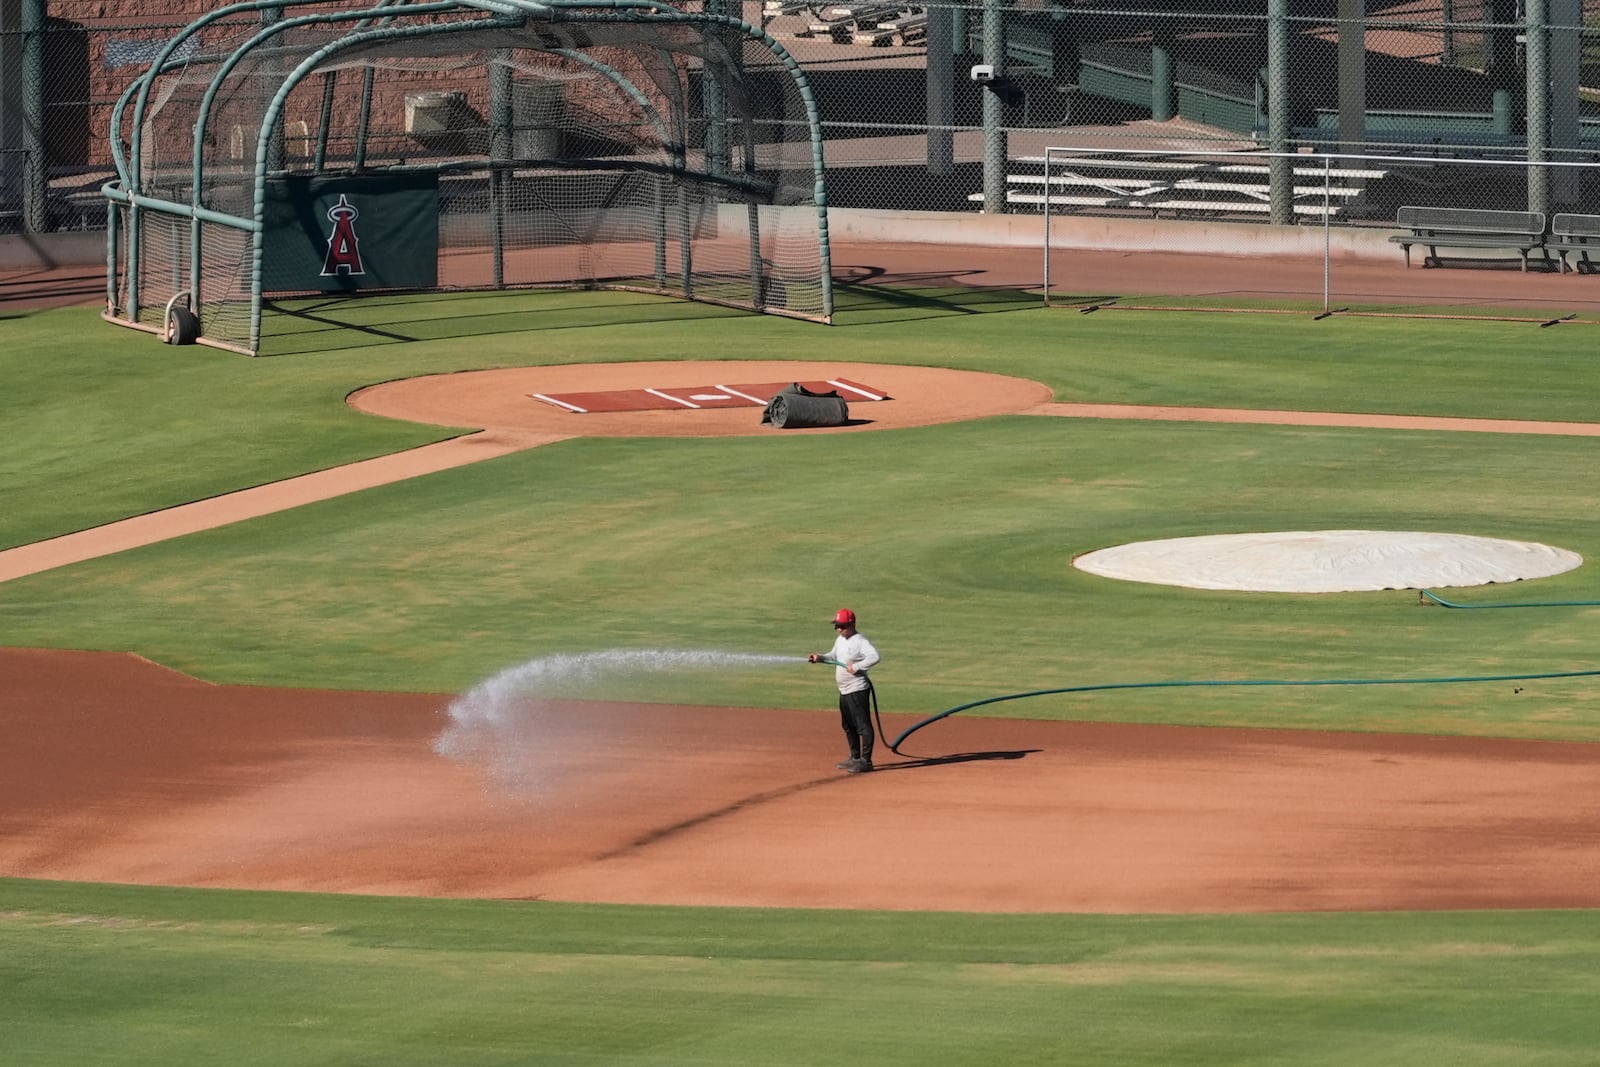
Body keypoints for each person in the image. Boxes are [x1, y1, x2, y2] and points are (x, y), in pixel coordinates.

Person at [808, 607, 881, 774]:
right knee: (848, 725)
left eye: (842, 626)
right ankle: (854, 758)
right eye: (837, 626)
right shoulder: (840, 640)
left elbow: (875, 657)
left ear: (851, 624)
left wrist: (857, 666)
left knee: (863, 725)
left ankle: (866, 761)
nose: (839, 629)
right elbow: (833, 656)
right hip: (844, 690)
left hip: (857, 689)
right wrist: (820, 658)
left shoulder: (860, 641)